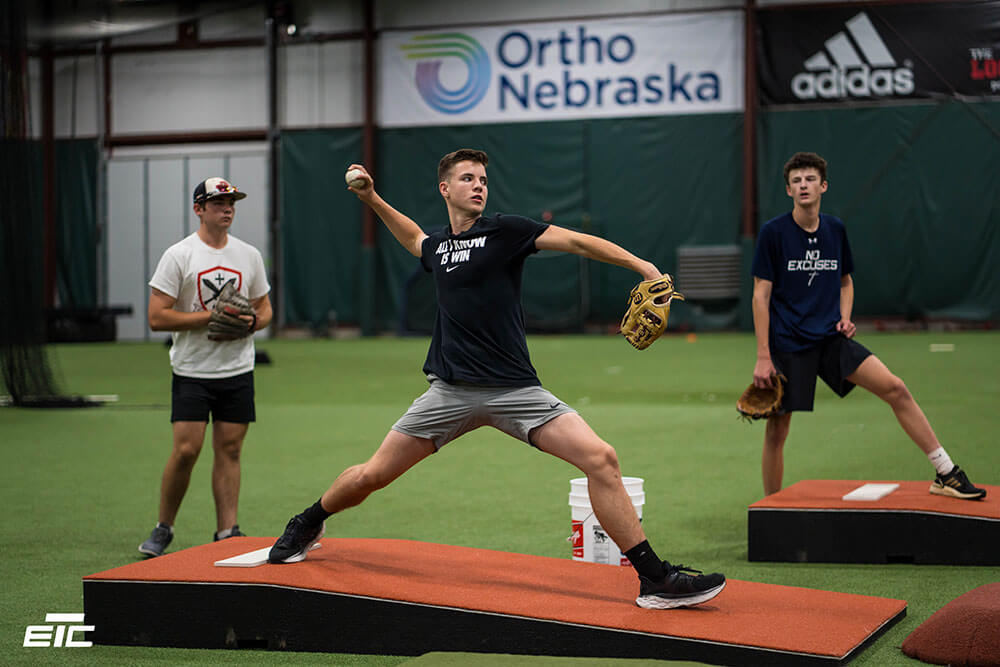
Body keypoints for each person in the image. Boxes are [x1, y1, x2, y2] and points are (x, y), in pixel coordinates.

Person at [268, 149, 726, 610]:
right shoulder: (441, 248)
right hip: (449, 393)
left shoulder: (507, 231)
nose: (479, 185)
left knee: (601, 458)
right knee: (372, 475)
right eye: (468, 178)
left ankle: (655, 579)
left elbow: (580, 243)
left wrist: (643, 267)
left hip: (516, 392)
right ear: (445, 189)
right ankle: (309, 520)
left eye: (483, 179)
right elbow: (415, 240)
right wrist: (372, 198)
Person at [750, 152, 985, 500]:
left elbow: (845, 281)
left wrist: (845, 317)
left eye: (810, 179)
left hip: (830, 338)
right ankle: (770, 508)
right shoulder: (774, 233)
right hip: (788, 343)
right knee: (777, 429)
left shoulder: (835, 229)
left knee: (896, 388)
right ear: (788, 190)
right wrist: (763, 356)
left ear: (823, 185)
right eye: (796, 180)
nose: (803, 185)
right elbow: (760, 295)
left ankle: (946, 472)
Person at [139, 177, 273, 557]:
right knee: (186, 450)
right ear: (199, 209)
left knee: (230, 450)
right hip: (192, 369)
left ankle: (227, 531)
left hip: (237, 369)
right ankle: (164, 527)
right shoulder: (179, 255)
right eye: (217, 203)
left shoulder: (248, 255)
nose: (227, 208)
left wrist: (250, 323)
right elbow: (156, 318)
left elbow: (265, 309)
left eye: (231, 202)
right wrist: (208, 317)